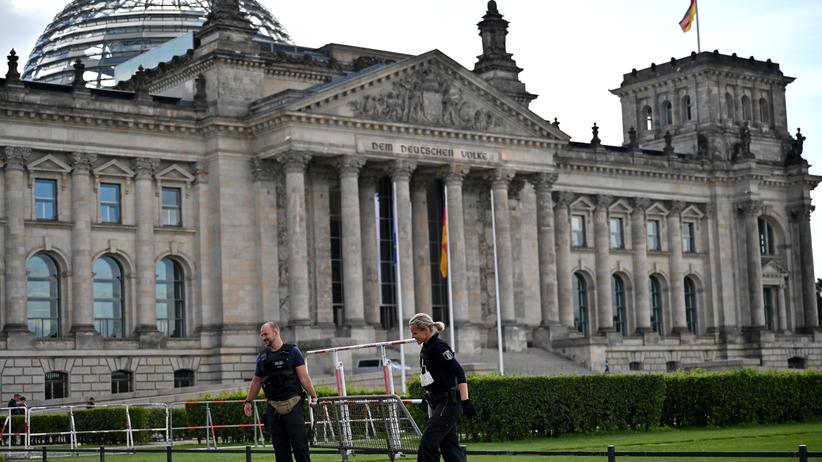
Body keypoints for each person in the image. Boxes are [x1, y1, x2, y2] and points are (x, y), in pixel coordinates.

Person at [243, 321, 318, 462]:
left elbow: (304, 377)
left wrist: (313, 396)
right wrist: (248, 401)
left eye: (266, 334)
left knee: (300, 447)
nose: (263, 337)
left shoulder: (293, 352)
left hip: (293, 405)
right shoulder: (262, 357)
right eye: (261, 335)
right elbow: (256, 381)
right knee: (280, 450)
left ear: (276, 332)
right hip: (273, 408)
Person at [409, 313, 476, 462]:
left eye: (415, 333)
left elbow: (459, 372)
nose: (413, 337)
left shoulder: (439, 347)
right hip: (438, 403)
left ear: (426, 330)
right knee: (450, 449)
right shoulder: (427, 347)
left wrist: (465, 401)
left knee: (428, 444)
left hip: (448, 404)